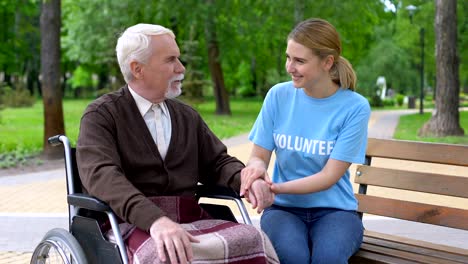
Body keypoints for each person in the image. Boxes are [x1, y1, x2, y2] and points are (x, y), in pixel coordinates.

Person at [76, 23, 278, 264]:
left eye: (179, 59)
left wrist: (247, 178)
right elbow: (103, 177)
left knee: (252, 238)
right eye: (170, 60)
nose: (181, 68)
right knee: (165, 254)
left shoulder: (186, 116)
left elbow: (217, 163)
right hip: (126, 221)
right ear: (137, 68)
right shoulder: (102, 115)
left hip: (188, 215)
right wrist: (155, 220)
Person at [240, 18, 371, 264]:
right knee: (293, 257)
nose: (290, 67)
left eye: (299, 61)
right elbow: (258, 156)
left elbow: (328, 177)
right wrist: (256, 169)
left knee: (328, 258)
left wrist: (275, 188)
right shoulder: (278, 96)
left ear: (327, 62)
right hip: (283, 210)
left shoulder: (354, 107)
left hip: (336, 211)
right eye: (288, 57)